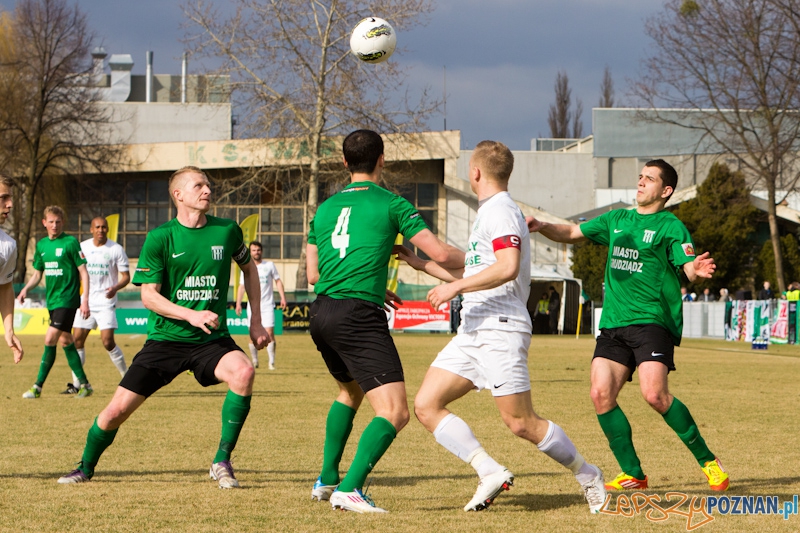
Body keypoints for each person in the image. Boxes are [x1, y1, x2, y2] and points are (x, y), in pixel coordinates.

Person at [397, 140, 606, 513]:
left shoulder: (502, 212)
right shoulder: (490, 213)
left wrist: (455, 287)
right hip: (474, 330)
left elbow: (507, 266)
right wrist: (420, 263)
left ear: (475, 173)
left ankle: (588, 474)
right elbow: (474, 265)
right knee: (426, 405)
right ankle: (489, 471)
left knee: (521, 423)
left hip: (500, 329)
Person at [57, 166, 268, 487]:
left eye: (208, 185)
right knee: (115, 412)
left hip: (211, 340)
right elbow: (149, 296)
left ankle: (222, 460)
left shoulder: (227, 231)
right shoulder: (160, 237)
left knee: (244, 372)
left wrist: (256, 322)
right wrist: (191, 314)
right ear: (178, 195)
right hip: (165, 341)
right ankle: (84, 467)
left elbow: (249, 269)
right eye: (199, 185)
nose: (207, 190)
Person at [528, 159, 729, 492]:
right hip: (613, 324)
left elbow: (687, 268)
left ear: (665, 191)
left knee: (655, 395)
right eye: (640, 177)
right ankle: (633, 473)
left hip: (652, 321)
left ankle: (709, 461)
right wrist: (540, 225)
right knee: (600, 394)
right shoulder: (617, 219)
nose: (641, 182)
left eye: (649, 179)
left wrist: (697, 269)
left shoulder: (671, 226)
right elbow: (572, 233)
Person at [306, 129, 463, 513]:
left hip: (322, 311)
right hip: (357, 316)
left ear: (344, 163)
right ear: (381, 160)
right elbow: (440, 253)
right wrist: (483, 260)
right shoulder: (392, 203)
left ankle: (326, 479)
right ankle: (350, 488)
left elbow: (313, 274)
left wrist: (369, 284)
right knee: (394, 412)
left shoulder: (324, 208)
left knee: (350, 392)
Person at [18, 206, 93, 398]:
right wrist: (26, 289)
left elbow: (84, 272)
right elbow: (37, 274)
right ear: (44, 223)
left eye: (58, 222)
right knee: (65, 340)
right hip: (52, 301)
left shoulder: (70, 243)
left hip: (67, 300)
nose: (54, 225)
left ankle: (37, 387)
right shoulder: (42, 246)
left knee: (49, 338)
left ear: (63, 222)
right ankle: (85, 384)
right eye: (51, 222)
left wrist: (85, 300)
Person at [65, 216, 130, 394]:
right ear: (91, 230)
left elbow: (126, 277)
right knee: (76, 341)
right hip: (85, 302)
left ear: (107, 229)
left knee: (108, 342)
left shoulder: (116, 249)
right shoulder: (83, 247)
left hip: (106, 303)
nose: (101, 230)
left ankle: (127, 377)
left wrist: (115, 287)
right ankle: (77, 384)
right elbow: (75, 272)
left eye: (104, 227)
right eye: (97, 227)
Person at [235, 241, 287, 369]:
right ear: (250, 252)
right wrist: (238, 303)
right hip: (252, 306)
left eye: (258, 250)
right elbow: (242, 287)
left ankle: (271, 362)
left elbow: (278, 281)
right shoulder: (246, 267)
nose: (256, 252)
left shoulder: (269, 265)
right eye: (253, 250)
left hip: (267, 305)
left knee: (269, 333)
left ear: (261, 251)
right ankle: (255, 360)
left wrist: (283, 297)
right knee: (252, 334)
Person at [0, 175, 23, 363]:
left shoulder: (8, 246)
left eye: (10, 198)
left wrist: (9, 330)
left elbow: (5, 286)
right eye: (3, 198)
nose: (10, 204)